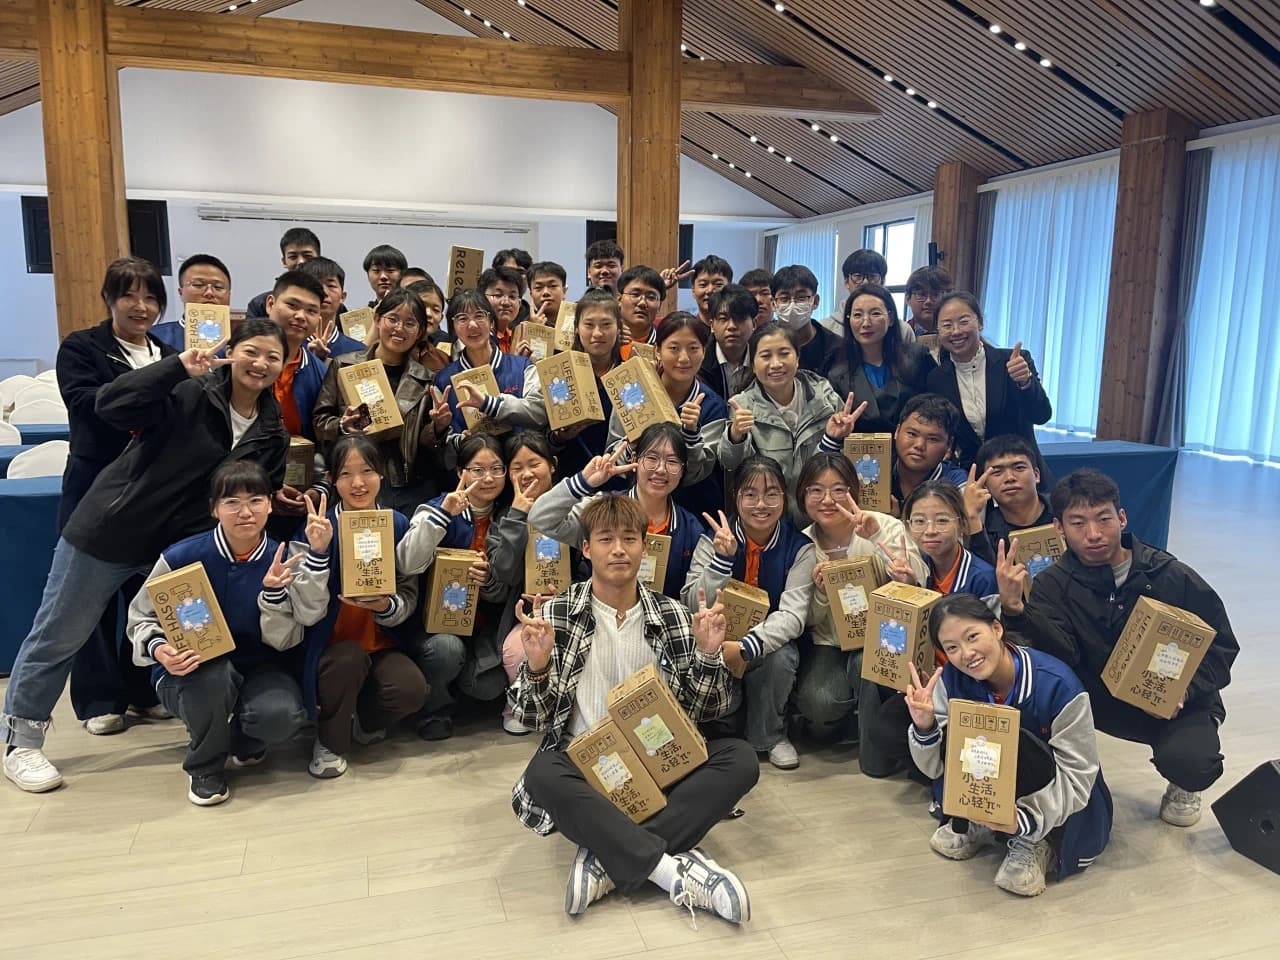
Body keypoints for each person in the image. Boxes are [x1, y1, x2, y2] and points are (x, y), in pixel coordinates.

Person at [2, 318, 290, 793]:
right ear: (231, 352)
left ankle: (211, 731)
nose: (260, 363)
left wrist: (285, 498)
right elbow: (110, 406)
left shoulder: (272, 429)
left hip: (176, 550)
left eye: (272, 357)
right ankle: (22, 741)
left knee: (190, 636)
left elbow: (257, 487)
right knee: (59, 633)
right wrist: (175, 368)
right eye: (251, 351)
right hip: (112, 529)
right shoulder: (190, 391)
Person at [510, 494, 755, 923]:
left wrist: (708, 654)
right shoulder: (558, 613)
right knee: (542, 772)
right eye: (606, 539)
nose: (619, 549)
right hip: (590, 769)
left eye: (629, 538)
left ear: (645, 546)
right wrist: (537, 666)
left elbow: (707, 711)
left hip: (664, 768)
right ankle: (671, 870)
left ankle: (608, 858)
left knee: (741, 758)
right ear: (586, 549)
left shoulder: (672, 614)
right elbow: (532, 719)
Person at [998, 469, 1239, 827]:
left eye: (1104, 519)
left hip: (1175, 702)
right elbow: (1055, 655)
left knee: (1193, 762)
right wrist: (1015, 610)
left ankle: (1183, 784)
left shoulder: (1169, 574)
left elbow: (1222, 645)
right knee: (1029, 714)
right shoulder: (1051, 585)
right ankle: (1054, 799)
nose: (1094, 533)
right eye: (1078, 523)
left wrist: (1186, 691)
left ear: (1122, 518)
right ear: (1059, 528)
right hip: (1102, 698)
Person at [125, 461, 330, 805]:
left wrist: (276, 592)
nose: (245, 512)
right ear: (214, 509)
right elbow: (141, 618)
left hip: (261, 665)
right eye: (232, 502)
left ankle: (243, 740)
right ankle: (205, 766)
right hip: (194, 668)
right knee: (211, 679)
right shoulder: (182, 556)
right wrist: (160, 649)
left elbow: (289, 636)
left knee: (282, 716)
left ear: (270, 505)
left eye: (255, 501)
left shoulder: (284, 558)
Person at [907, 594, 1112, 896]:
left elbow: (1078, 775)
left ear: (997, 628)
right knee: (965, 733)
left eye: (972, 636)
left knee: (1015, 737)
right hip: (987, 783)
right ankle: (977, 818)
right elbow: (935, 768)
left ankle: (1035, 840)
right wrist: (924, 726)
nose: (967, 653)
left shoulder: (1058, 684)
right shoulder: (952, 679)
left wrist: (1025, 819)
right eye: (952, 648)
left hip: (1053, 794)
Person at [56, 256, 177, 735]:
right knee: (90, 600)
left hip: (151, 493)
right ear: (109, 298)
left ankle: (143, 690)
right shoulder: (82, 347)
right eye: (129, 295)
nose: (140, 306)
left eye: (150, 297)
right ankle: (98, 699)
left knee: (145, 594)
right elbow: (88, 405)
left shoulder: (168, 352)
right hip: (95, 488)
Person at [290, 437, 428, 778]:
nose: (358, 483)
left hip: (380, 642)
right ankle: (330, 742)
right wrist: (318, 551)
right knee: (348, 658)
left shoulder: (396, 523)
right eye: (346, 474)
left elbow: (409, 592)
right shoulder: (316, 527)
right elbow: (301, 606)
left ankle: (365, 719)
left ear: (381, 474)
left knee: (411, 690)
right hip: (330, 647)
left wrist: (386, 605)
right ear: (332, 480)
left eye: (367, 471)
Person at [682, 456, 815, 770]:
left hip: (760, 645)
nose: (761, 504)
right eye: (750, 494)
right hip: (714, 640)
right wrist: (721, 561)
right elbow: (691, 602)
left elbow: (793, 616)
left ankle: (770, 736)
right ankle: (718, 728)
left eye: (771, 494)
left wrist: (745, 647)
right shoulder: (713, 538)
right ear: (736, 497)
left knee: (781, 656)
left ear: (785, 497)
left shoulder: (800, 547)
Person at [398, 435, 531, 740]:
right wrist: (444, 515)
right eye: (477, 470)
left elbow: (508, 583)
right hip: (434, 628)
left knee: (488, 684)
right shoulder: (437, 507)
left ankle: (460, 691)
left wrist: (488, 581)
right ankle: (435, 709)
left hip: (483, 628)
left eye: (496, 469)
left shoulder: (510, 514)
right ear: (460, 472)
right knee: (446, 650)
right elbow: (406, 563)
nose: (488, 478)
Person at [795, 454, 924, 741]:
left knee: (865, 666)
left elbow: (918, 580)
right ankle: (844, 722)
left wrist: (884, 549)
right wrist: (821, 594)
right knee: (820, 701)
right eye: (816, 490)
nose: (827, 500)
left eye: (838, 490)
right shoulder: (802, 544)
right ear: (802, 494)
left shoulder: (882, 525)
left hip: (885, 636)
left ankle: (878, 741)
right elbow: (805, 620)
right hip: (829, 642)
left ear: (853, 491)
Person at [530, 424, 706, 601]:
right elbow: (540, 518)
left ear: (683, 470)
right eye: (652, 458)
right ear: (634, 460)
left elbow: (693, 600)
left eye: (672, 462)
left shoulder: (691, 530)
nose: (661, 469)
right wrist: (583, 482)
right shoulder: (602, 508)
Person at [313, 288, 447, 513]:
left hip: (406, 485)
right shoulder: (344, 365)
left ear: (420, 332)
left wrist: (438, 427)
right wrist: (342, 426)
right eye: (392, 319)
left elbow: (425, 446)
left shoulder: (426, 379)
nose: (399, 328)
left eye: (410, 323)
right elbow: (319, 422)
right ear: (377, 319)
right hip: (355, 481)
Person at [720, 323, 854, 527]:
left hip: (821, 519)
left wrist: (834, 439)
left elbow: (844, 467)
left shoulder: (826, 400)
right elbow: (731, 466)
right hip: (768, 523)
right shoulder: (742, 406)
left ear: (797, 358)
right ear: (753, 364)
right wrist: (735, 435)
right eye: (766, 356)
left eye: (784, 354)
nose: (776, 364)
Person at [610, 312, 727, 519]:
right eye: (674, 348)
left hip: (691, 513)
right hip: (633, 511)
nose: (684, 358)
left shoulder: (713, 406)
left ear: (704, 351)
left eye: (693, 348)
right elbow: (612, 457)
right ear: (657, 350)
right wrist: (633, 443)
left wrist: (691, 434)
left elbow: (696, 474)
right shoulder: (634, 390)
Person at [926, 291, 1052, 472]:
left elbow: (1042, 415)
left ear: (980, 323)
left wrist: (1025, 383)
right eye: (947, 325)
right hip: (973, 476)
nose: (956, 331)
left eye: (964, 321)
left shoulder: (1013, 362)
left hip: (1018, 472)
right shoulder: (936, 379)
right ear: (938, 331)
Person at [491, 433, 561, 735]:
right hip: (526, 613)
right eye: (517, 468)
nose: (527, 474)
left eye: (534, 464)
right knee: (517, 649)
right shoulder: (505, 515)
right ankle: (520, 704)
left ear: (552, 465)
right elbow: (502, 572)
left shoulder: (575, 507)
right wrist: (518, 515)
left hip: (571, 606)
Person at [828, 283, 936, 432]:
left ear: (890, 318)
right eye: (857, 315)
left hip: (913, 443)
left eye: (875, 314)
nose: (866, 323)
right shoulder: (837, 372)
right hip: (860, 446)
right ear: (849, 320)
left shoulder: (918, 358)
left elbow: (935, 407)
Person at [436, 288, 531, 440]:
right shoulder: (443, 380)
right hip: (471, 455)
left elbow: (538, 413)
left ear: (491, 322)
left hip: (519, 453)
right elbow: (444, 438)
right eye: (462, 318)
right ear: (453, 327)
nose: (472, 325)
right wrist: (454, 437)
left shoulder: (523, 367)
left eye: (479, 316)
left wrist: (489, 404)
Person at [897, 481, 998, 600]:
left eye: (942, 520)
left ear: (962, 524)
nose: (930, 531)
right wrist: (910, 588)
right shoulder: (913, 568)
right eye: (919, 521)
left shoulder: (983, 578)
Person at [964, 434, 1054, 567]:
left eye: (1019, 468)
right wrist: (971, 516)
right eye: (997, 472)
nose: (1009, 478)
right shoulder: (986, 531)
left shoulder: (1064, 510)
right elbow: (985, 574)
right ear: (985, 484)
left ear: (1036, 475)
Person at [262, 270, 327, 441]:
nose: (300, 316)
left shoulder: (321, 373)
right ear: (270, 304)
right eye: (292, 305)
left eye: (311, 311)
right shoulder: (238, 358)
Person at [891, 393, 970, 511]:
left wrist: (896, 519)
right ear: (897, 431)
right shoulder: (874, 470)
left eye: (932, 439)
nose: (919, 445)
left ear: (949, 445)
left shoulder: (957, 484)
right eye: (912, 434)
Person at [771, 264, 842, 381]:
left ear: (815, 301)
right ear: (773, 304)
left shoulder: (835, 347)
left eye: (801, 297)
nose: (792, 305)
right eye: (784, 299)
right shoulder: (763, 342)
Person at [150, 253, 233, 352]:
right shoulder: (155, 337)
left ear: (229, 294)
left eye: (218, 287)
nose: (209, 292)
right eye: (198, 285)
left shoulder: (241, 339)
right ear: (181, 292)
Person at [244, 227, 322, 318]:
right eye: (293, 257)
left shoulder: (331, 303)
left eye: (307, 256)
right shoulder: (259, 304)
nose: (300, 261)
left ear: (319, 259)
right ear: (284, 261)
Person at [298, 257, 361, 361]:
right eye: (316, 285)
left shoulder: (358, 351)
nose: (324, 293)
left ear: (343, 296)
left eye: (331, 285)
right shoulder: (286, 345)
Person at [700, 284, 755, 401]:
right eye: (723, 319)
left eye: (740, 318)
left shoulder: (763, 358)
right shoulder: (700, 361)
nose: (731, 326)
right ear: (712, 325)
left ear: (754, 324)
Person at [817, 248, 887, 338]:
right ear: (846, 282)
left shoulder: (900, 329)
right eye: (858, 276)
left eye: (872, 276)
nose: (865, 282)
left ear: (882, 281)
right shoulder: (825, 329)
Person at [403, 278, 453, 374]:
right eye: (423, 306)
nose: (429, 313)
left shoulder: (443, 360)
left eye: (436, 310)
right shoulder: (391, 350)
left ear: (441, 318)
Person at [616, 265, 665, 352]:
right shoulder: (605, 340)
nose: (642, 303)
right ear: (619, 299)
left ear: (659, 306)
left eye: (651, 297)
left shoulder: (664, 345)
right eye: (635, 294)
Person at [479, 266, 525, 355]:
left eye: (512, 296)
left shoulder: (517, 339)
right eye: (498, 295)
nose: (506, 302)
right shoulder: (476, 337)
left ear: (519, 303)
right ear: (481, 299)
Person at [904, 265, 951, 336]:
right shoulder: (900, 335)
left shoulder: (955, 334)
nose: (928, 301)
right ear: (907, 298)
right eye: (921, 294)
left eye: (935, 295)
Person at [690, 255, 733, 326]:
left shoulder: (737, 327)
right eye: (703, 285)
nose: (710, 290)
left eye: (718, 284)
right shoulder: (688, 329)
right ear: (693, 291)